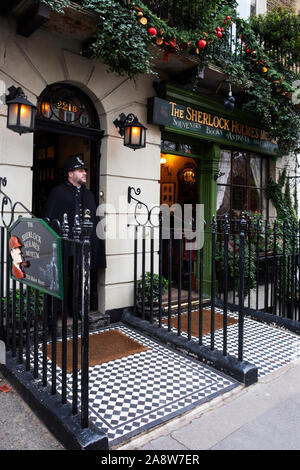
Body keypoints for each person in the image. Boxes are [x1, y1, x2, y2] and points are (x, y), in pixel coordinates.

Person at [43, 154, 106, 270]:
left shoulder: (89, 195)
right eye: (80, 171)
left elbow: (95, 222)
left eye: (85, 171)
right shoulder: (58, 192)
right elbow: (49, 221)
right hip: (66, 248)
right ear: (70, 174)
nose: (85, 173)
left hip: (84, 247)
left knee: (84, 278)